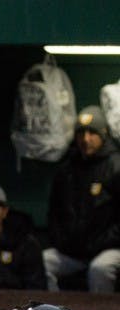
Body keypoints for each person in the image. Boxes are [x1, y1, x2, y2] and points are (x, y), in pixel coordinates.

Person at [43, 105, 120, 293]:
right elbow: (54, 213)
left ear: (103, 134)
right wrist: (62, 241)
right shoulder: (67, 170)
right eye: (81, 133)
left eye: (92, 133)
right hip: (72, 251)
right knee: (43, 261)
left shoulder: (116, 167)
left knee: (99, 269)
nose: (86, 139)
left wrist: (100, 243)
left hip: (109, 249)